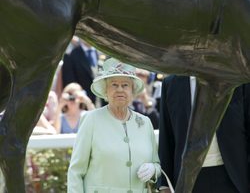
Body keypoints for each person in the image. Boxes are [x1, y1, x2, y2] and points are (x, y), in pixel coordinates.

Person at [68, 58, 161, 193]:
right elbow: (75, 172)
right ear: (106, 91)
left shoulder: (145, 122)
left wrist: (153, 170)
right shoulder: (91, 120)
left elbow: (156, 164)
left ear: (132, 91)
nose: (120, 90)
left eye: (125, 85)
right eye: (114, 85)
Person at [158, 75, 250, 193]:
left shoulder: (236, 78)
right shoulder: (171, 83)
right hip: (187, 180)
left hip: (234, 177)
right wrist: (165, 185)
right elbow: (167, 137)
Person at [62, 38, 99, 103]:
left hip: (102, 103)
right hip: (82, 104)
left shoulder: (100, 53)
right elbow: (70, 82)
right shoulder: (71, 55)